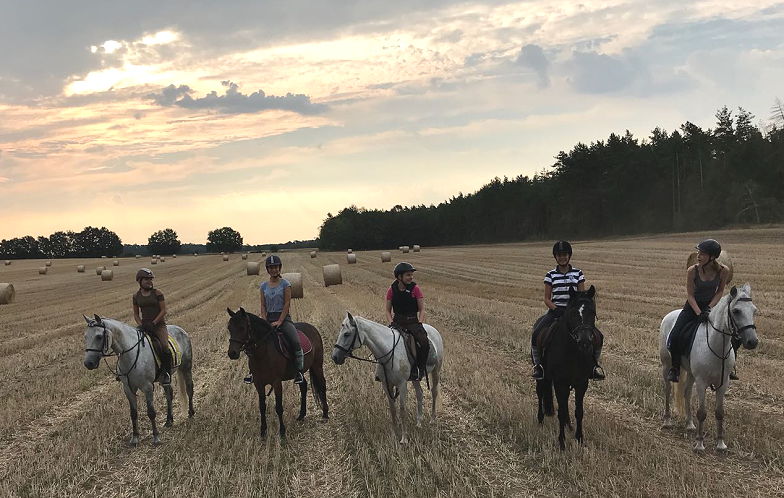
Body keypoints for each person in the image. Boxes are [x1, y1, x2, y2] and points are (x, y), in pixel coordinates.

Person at [531, 241, 605, 381]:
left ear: (569, 256)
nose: (562, 257)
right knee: (536, 334)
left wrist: (577, 310)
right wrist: (556, 309)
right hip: (556, 312)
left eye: (564, 255)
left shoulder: (578, 273)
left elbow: (581, 296)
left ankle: (594, 366)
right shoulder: (550, 275)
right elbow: (547, 299)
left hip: (575, 314)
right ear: (555, 257)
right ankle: (538, 366)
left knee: (598, 336)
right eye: (559, 255)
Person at [667, 239, 730, 382]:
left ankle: (729, 366)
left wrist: (709, 308)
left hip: (710, 306)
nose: (698, 256)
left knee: (731, 333)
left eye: (702, 253)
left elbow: (720, 292)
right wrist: (698, 312)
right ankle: (675, 368)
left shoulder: (723, 271)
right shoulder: (692, 271)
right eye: (698, 252)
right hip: (692, 307)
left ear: (712, 257)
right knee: (675, 336)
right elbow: (690, 295)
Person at [245, 255, 305, 385]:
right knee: (252, 343)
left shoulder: (286, 284)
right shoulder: (263, 286)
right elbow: (263, 305)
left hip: (283, 319)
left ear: (279, 268)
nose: (273, 270)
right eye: (271, 267)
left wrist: (280, 321)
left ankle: (299, 372)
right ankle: (252, 372)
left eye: (276, 267)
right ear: (267, 269)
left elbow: (287, 304)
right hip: (267, 319)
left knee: (295, 341)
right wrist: (264, 320)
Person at [386, 262, 429, 381]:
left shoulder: (415, 289)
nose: (411, 277)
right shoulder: (391, 290)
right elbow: (387, 311)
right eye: (408, 275)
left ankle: (420, 368)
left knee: (423, 342)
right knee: (383, 343)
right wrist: (391, 323)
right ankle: (382, 371)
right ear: (399, 277)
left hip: (413, 322)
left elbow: (421, 309)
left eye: (412, 275)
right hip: (397, 322)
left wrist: (420, 323)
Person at [132, 268, 172, 385]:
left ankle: (166, 373)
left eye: (150, 279)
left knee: (164, 346)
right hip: (144, 325)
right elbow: (135, 314)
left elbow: (164, 310)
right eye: (146, 279)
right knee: (131, 345)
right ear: (139, 281)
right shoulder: (136, 296)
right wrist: (141, 325)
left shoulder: (158, 293)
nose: (149, 281)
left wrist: (154, 323)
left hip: (158, 325)